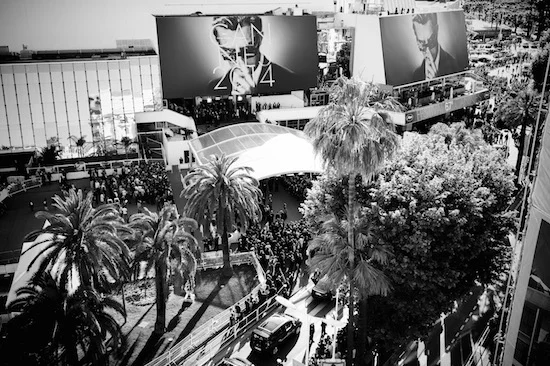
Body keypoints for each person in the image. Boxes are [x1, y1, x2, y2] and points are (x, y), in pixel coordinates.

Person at [208, 15, 295, 95]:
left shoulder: (291, 81)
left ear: (260, 39)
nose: (240, 62)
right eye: (229, 53)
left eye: (247, 50)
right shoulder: (212, 88)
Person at [412, 13, 459, 82]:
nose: (428, 51)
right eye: (422, 43)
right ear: (417, 40)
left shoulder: (455, 66)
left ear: (437, 30)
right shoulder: (416, 75)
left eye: (431, 41)